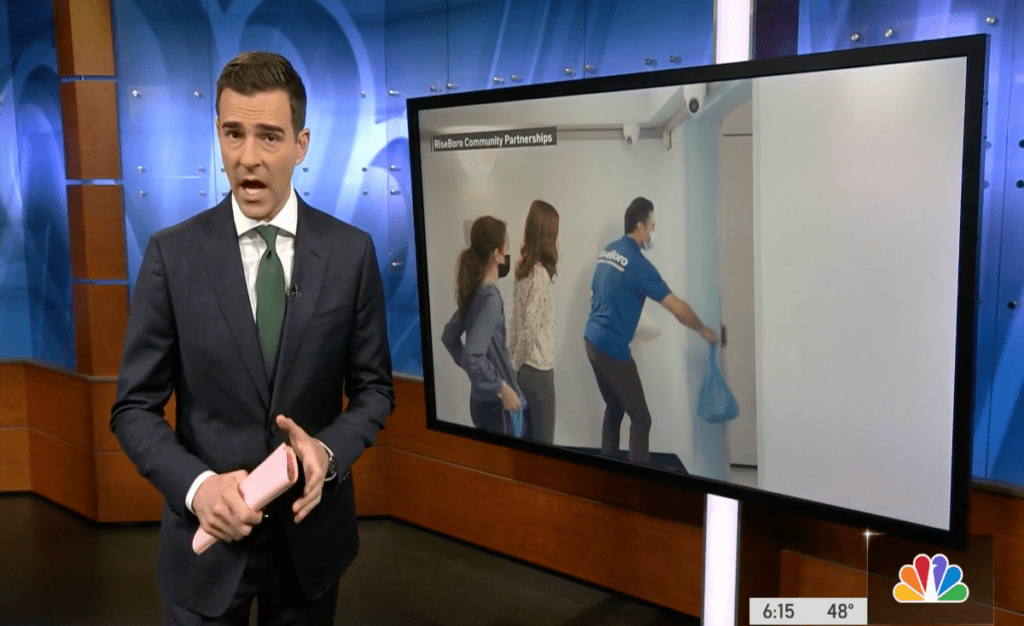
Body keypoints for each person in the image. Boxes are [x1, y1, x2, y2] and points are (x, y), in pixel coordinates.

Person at [110, 52, 395, 626]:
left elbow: (374, 391)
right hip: (207, 546)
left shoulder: (351, 254)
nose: (247, 158)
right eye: (233, 134)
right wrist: (198, 488)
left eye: (269, 136)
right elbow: (133, 408)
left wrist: (327, 453)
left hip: (310, 543)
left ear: (301, 144)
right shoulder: (171, 256)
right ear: (218, 133)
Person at [584, 197, 717, 466]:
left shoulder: (608, 251)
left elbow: (596, 294)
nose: (653, 232)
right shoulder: (639, 265)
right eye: (652, 226)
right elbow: (677, 307)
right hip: (611, 347)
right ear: (640, 227)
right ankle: (639, 482)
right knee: (642, 419)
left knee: (615, 406)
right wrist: (702, 328)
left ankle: (606, 471)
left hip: (591, 340)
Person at [441, 216, 525, 436]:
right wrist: (502, 388)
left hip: (480, 403)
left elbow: (449, 336)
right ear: (497, 254)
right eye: (506, 245)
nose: (508, 251)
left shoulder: (475, 292)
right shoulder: (490, 299)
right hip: (494, 407)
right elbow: (473, 356)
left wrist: (476, 372)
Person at [510, 200, 559, 444]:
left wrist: (513, 363)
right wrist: (515, 365)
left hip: (523, 372)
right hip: (538, 374)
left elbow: (516, 320)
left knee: (525, 441)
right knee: (543, 447)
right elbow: (529, 329)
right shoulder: (540, 277)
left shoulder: (521, 268)